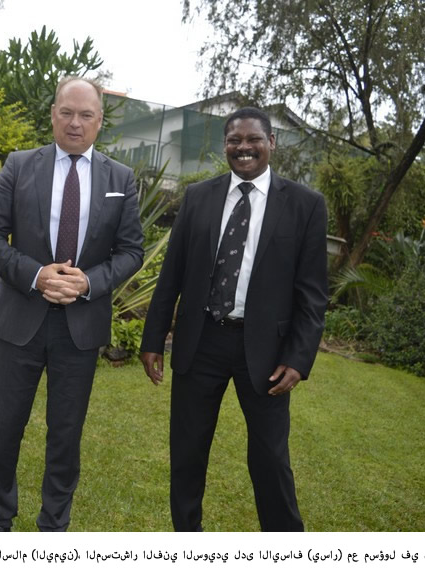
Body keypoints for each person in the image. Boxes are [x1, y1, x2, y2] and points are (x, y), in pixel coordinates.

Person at [139, 107, 328, 532]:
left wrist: (298, 359)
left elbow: (313, 294)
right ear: (224, 146)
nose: (244, 148)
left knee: (270, 459)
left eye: (253, 139)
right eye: (234, 141)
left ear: (271, 143)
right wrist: (153, 339)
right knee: (187, 453)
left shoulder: (305, 205)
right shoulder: (198, 197)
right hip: (200, 341)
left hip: (266, 352)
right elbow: (172, 274)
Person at [0, 77, 144, 532]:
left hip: (80, 328)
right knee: (4, 430)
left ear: (100, 121)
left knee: (66, 436)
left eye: (86, 115)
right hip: (20, 321)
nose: (75, 123)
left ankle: (53, 527)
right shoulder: (19, 165)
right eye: (67, 112)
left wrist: (88, 282)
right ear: (52, 114)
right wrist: (36, 275)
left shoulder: (120, 178)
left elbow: (132, 251)